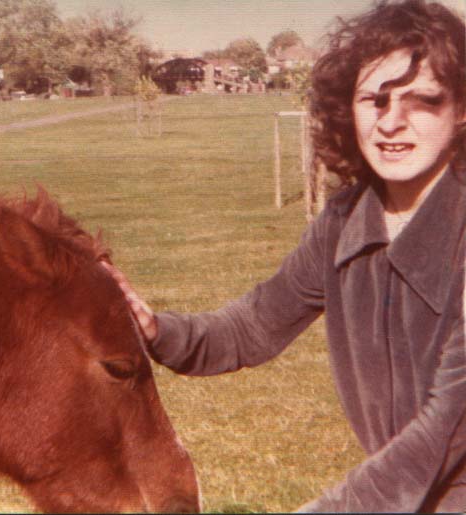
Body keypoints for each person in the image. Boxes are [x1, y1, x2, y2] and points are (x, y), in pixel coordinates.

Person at [102, 0, 466, 512]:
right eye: (374, 100)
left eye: (422, 101)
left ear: (461, 109)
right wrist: (157, 331)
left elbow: (442, 434)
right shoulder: (344, 221)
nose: (391, 122)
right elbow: (254, 326)